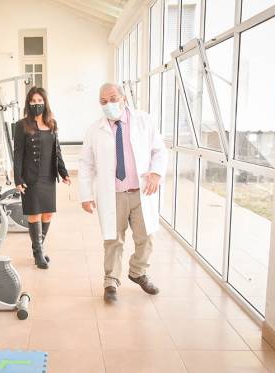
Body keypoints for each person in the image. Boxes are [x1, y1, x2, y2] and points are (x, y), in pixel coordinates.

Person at [79, 83, 167, 302]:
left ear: (123, 97)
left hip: (141, 192)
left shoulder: (144, 121)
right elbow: (86, 164)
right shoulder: (94, 129)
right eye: (103, 101)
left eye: (112, 98)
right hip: (113, 194)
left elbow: (159, 150)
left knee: (146, 237)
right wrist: (86, 195)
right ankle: (111, 281)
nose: (109, 104)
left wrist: (156, 173)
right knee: (113, 239)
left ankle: (138, 271)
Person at [14, 87, 70, 269]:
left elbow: (57, 151)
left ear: (45, 103)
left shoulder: (52, 123)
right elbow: (18, 154)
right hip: (31, 177)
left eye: (39, 101)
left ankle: (39, 247)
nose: (36, 104)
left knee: (48, 213)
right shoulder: (22, 125)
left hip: (48, 176)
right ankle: (38, 253)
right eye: (33, 101)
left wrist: (63, 172)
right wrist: (18, 179)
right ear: (28, 104)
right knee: (34, 214)